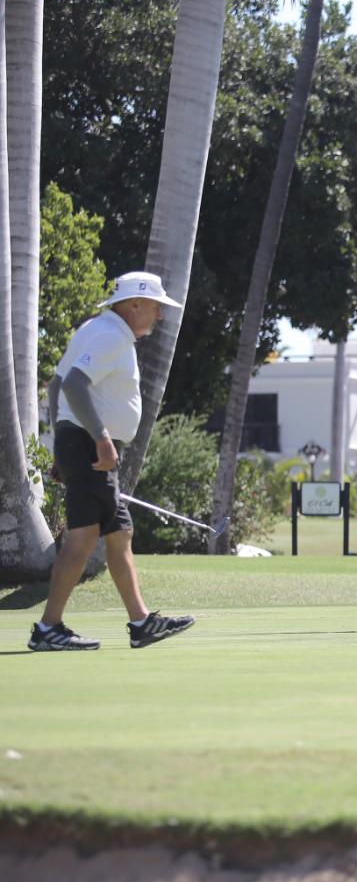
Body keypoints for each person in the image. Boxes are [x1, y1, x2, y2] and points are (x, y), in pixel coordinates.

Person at [29, 272, 196, 651]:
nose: (158, 315)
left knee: (119, 534)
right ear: (134, 303)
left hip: (81, 444)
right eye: (155, 307)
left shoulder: (98, 329)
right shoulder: (109, 335)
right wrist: (101, 439)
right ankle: (48, 628)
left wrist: (62, 444)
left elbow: (56, 385)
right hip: (90, 446)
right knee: (83, 538)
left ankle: (141, 622)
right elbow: (72, 384)